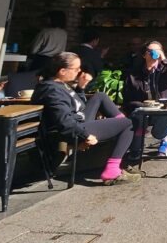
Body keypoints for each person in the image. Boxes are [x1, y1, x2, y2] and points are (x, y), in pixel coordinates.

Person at [33, 52, 139, 185]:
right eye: (76, 69)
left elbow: (78, 106)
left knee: (100, 96)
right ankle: (112, 170)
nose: (79, 72)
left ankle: (120, 135)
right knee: (128, 124)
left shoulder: (61, 84)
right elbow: (64, 122)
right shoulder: (53, 91)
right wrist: (85, 135)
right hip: (73, 129)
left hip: (79, 120)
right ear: (62, 71)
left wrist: (80, 88)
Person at [122, 41, 167, 159]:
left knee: (163, 118)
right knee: (138, 117)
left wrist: (165, 60)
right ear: (144, 55)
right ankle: (136, 149)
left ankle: (165, 142)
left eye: (157, 51)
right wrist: (141, 106)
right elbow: (127, 98)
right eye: (150, 51)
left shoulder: (165, 70)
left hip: (162, 111)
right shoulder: (134, 74)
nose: (153, 54)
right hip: (142, 111)